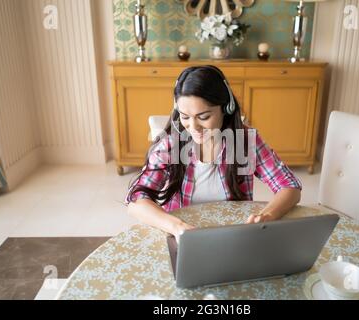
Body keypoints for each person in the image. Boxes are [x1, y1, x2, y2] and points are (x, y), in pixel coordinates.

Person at [125, 65, 302, 242]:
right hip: (183, 240)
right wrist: (178, 228)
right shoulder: (171, 144)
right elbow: (135, 202)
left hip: (234, 239)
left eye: (203, 117)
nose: (193, 127)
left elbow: (289, 186)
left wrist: (266, 216)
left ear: (226, 108)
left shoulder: (246, 140)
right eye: (185, 117)